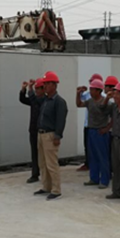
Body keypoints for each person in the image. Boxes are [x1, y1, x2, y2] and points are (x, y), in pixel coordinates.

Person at [34, 71, 68, 201]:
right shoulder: (46, 100)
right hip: (41, 134)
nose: (45, 86)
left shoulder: (59, 102)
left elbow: (61, 120)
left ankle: (56, 189)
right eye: (44, 84)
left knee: (51, 164)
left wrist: (58, 135)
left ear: (54, 85)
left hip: (50, 135)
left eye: (47, 83)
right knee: (42, 163)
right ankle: (46, 186)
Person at [76, 79, 111, 189]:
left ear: (99, 91)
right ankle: (94, 178)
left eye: (92, 89)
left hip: (101, 133)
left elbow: (114, 116)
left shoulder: (106, 102)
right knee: (93, 156)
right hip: (91, 131)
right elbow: (79, 104)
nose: (90, 91)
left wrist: (107, 128)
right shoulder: (90, 101)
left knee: (103, 156)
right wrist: (78, 94)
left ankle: (104, 180)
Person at [19, 78, 45, 183]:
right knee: (34, 153)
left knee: (44, 154)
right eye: (35, 88)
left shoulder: (45, 100)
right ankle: (35, 174)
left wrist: (30, 89)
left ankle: (46, 174)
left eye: (38, 88)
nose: (36, 90)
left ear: (44, 89)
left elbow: (34, 100)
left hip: (43, 131)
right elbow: (23, 99)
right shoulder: (34, 99)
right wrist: (23, 89)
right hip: (33, 130)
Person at [77, 73, 103, 172]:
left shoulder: (104, 97)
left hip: (98, 126)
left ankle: (99, 165)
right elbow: (79, 102)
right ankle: (88, 163)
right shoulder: (88, 95)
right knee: (88, 146)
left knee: (98, 147)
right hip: (88, 124)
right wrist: (79, 92)